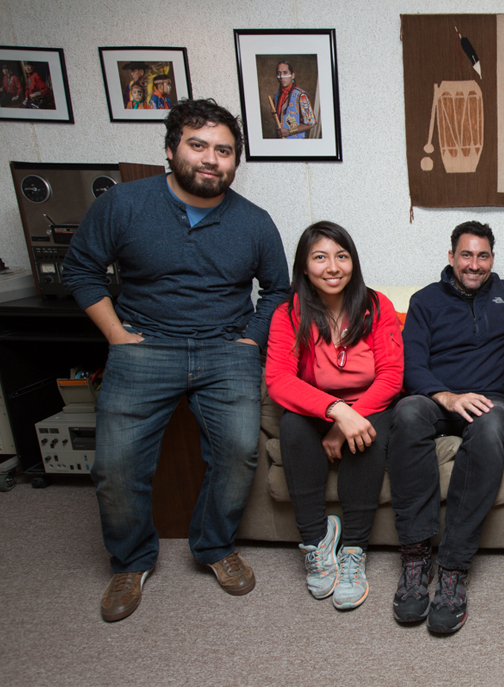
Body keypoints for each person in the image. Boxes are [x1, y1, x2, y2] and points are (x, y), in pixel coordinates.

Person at [62, 98, 291, 623]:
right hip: (144, 345)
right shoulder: (124, 205)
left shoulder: (255, 222)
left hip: (225, 349)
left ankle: (213, 546)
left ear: (236, 162)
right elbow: (81, 271)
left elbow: (278, 291)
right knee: (115, 466)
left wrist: (252, 341)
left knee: (238, 452)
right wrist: (117, 335)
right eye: (199, 145)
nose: (212, 159)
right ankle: (131, 559)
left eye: (224, 151)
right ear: (171, 150)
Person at [388, 221, 504, 634]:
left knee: (487, 428)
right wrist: (444, 396)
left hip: (491, 400)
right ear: (451, 257)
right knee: (407, 413)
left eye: (483, 256)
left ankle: (453, 565)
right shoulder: (425, 301)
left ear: (492, 260)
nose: (474, 264)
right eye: (466, 254)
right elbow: (411, 364)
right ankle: (415, 557)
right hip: (437, 396)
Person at [265, 221, 402, 611]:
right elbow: (277, 379)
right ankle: (316, 540)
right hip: (317, 406)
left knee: (368, 433)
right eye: (320, 257)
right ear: (304, 266)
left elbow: (392, 376)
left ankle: (354, 551)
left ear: (353, 263)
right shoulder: (288, 313)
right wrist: (336, 410)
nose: (333, 267)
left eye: (342, 256)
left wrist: (349, 421)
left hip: (370, 405)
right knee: (291, 425)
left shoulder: (377, 307)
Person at [272, 61, 316, 139]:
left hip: (296, 144)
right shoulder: (277, 96)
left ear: (292, 75)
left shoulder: (301, 96)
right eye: (279, 73)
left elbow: (311, 123)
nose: (282, 76)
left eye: (285, 73)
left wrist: (289, 132)